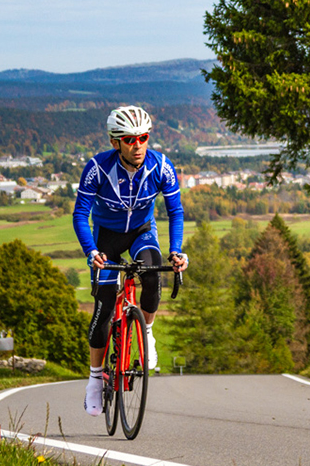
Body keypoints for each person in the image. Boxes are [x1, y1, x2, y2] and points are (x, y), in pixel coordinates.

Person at [73, 105, 188, 417]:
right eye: (129, 139)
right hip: (106, 238)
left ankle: (146, 332)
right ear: (115, 142)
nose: (137, 145)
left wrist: (176, 251)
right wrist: (90, 251)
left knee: (152, 276)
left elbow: (175, 212)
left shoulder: (162, 166)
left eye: (143, 137)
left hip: (141, 232)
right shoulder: (97, 168)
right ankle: (95, 380)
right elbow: (80, 214)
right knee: (105, 307)